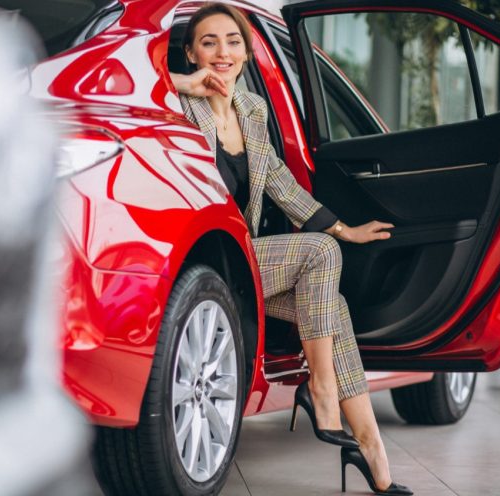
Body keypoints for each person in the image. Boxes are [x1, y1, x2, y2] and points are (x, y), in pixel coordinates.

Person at [169, 4, 412, 495]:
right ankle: (320, 391)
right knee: (320, 254)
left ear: (246, 51)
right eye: (209, 42)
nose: (222, 52)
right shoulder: (179, 105)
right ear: (191, 52)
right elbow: (128, 86)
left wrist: (344, 228)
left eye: (233, 41)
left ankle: (372, 452)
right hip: (206, 264)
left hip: (245, 263)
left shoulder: (253, 110)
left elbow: (279, 182)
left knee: (333, 304)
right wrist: (185, 83)